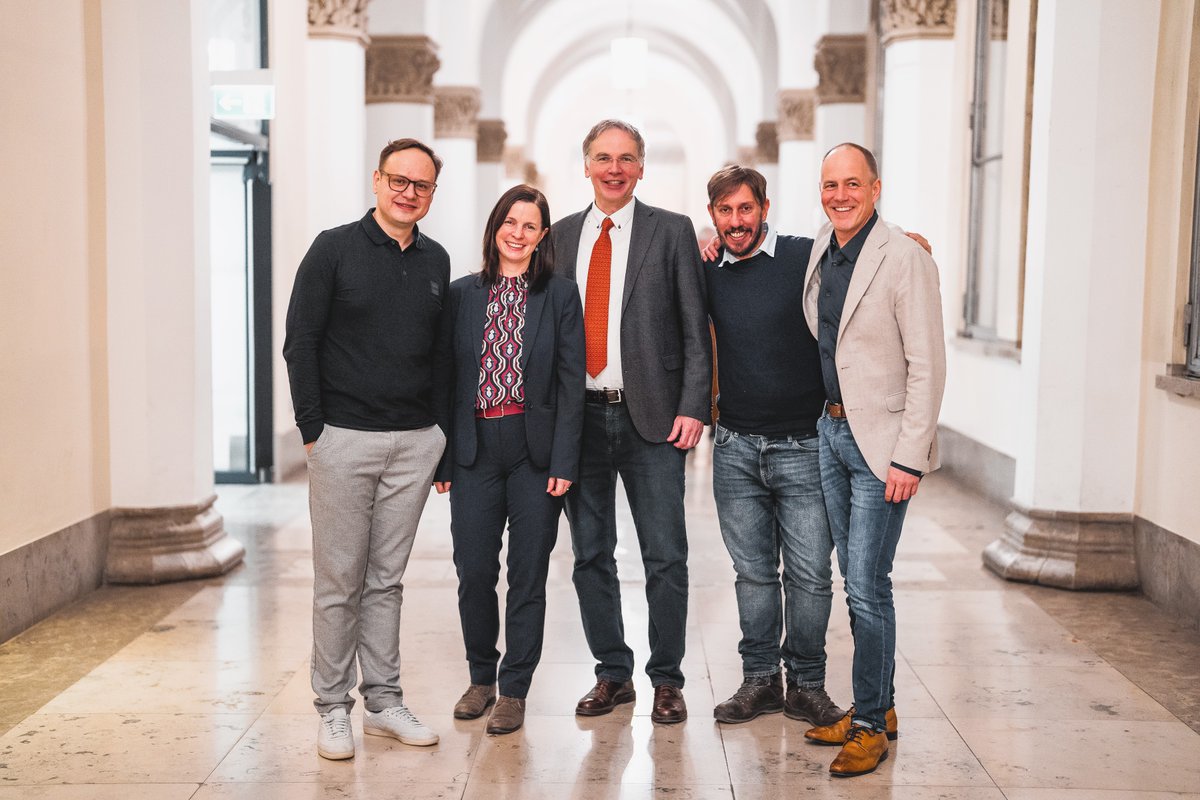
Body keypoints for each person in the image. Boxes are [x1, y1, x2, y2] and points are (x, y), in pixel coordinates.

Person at [282, 138, 452, 761]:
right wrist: (313, 431)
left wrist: (439, 435)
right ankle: (332, 708)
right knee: (339, 581)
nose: (409, 192)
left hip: (413, 443)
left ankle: (383, 702)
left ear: (433, 194)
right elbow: (300, 341)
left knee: (386, 580)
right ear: (377, 181)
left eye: (423, 185)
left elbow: (440, 356)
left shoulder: (436, 260)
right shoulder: (333, 249)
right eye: (399, 180)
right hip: (343, 440)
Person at [550, 119, 711, 724]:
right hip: (580, 422)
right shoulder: (559, 238)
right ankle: (612, 674)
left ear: (642, 167)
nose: (613, 168)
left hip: (654, 421)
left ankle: (667, 680)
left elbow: (697, 330)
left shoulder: (671, 232)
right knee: (591, 555)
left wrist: (694, 404)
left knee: (666, 556)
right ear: (585, 165)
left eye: (625, 158)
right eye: (602, 158)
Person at [801, 143, 946, 777]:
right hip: (832, 436)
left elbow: (927, 366)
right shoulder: (820, 249)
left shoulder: (905, 257)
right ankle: (878, 704)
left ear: (876, 187)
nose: (840, 195)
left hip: (883, 449)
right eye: (830, 184)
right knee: (856, 580)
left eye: (852, 184)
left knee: (866, 586)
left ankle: (867, 726)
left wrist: (909, 459)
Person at [434, 185, 585, 735]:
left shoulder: (560, 296)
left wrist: (564, 460)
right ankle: (481, 677)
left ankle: (514, 688)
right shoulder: (461, 296)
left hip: (534, 454)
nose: (518, 233)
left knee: (527, 575)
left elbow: (571, 384)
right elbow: (446, 380)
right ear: (495, 225)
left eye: (530, 225)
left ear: (543, 235)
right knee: (473, 571)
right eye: (510, 222)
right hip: (474, 449)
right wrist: (444, 461)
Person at [702, 165, 844, 728]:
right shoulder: (707, 268)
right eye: (725, 211)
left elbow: (864, 247)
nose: (736, 222)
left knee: (810, 576)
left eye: (745, 209)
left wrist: (912, 242)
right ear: (712, 214)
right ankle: (759, 680)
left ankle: (806, 685)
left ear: (764, 206)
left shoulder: (804, 256)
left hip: (805, 446)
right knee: (753, 575)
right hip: (735, 447)